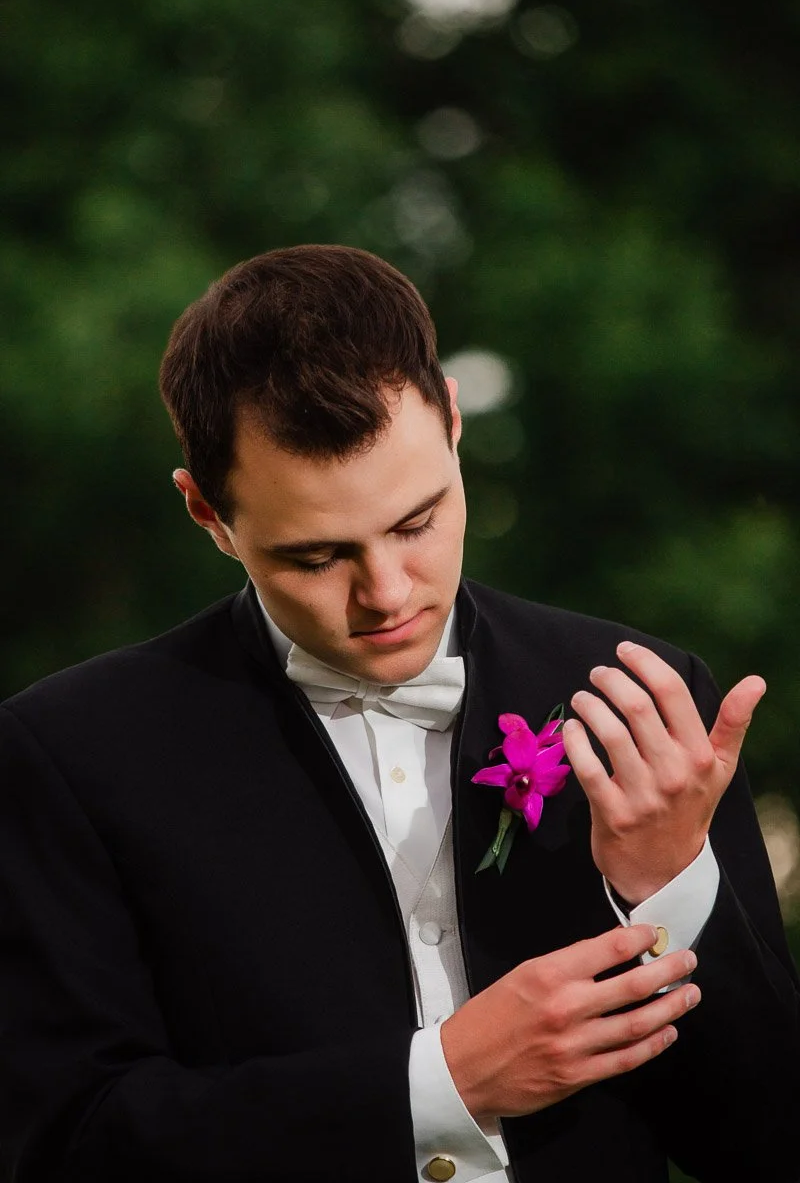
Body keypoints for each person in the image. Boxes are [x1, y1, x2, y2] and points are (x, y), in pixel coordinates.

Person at [0, 245, 797, 1183]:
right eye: (316, 555)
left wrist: (672, 886)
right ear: (207, 513)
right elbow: (66, 1145)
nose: (387, 593)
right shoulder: (68, 755)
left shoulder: (647, 700)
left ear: (454, 422)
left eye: (417, 522)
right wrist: (438, 1083)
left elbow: (769, 1145)